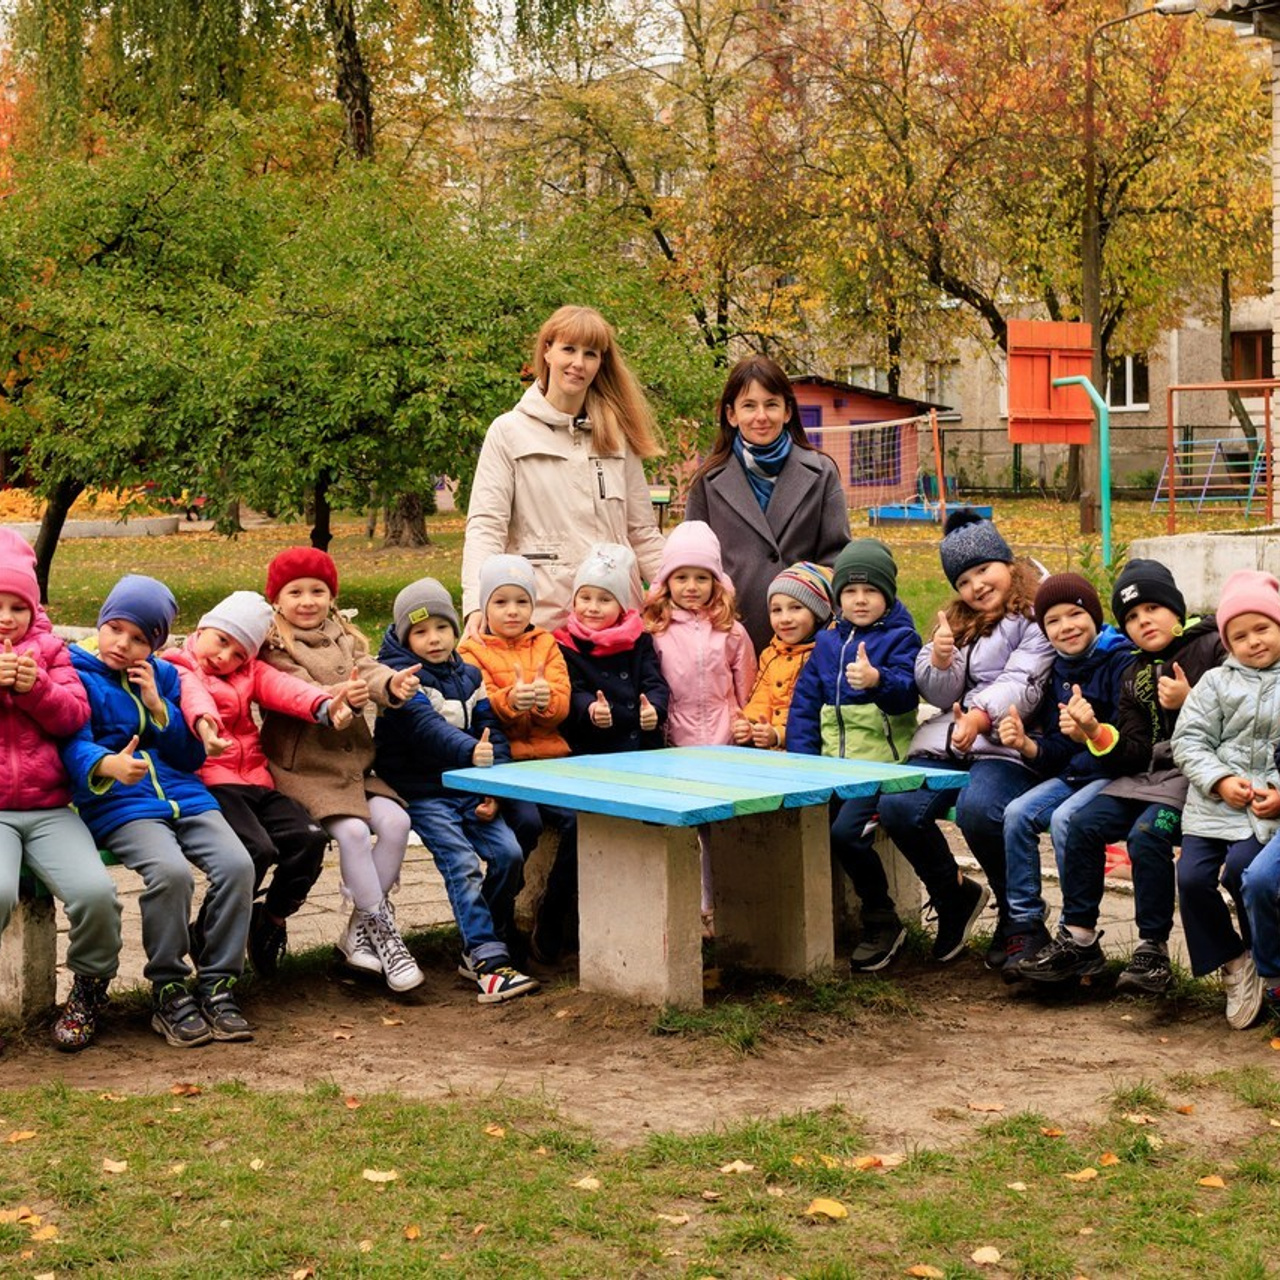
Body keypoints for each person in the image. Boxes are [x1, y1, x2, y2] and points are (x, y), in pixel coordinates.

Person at [62, 575, 256, 1048]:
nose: (123, 645)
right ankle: (168, 988)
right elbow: (69, 742)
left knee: (238, 865)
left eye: (139, 639)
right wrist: (108, 764)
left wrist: (159, 708)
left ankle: (218, 982)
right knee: (171, 874)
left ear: (156, 644)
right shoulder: (75, 671)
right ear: (101, 624)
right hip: (121, 804)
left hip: (185, 796)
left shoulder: (164, 675)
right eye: (116, 630)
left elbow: (191, 758)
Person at [1021, 559, 1223, 992]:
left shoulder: (1209, 647)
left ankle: (1153, 949)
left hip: (1196, 777)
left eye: (1152, 608)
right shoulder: (1133, 671)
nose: (1143, 620)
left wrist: (1193, 699)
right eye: (1131, 616)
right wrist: (1095, 731)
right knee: (1082, 824)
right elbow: (1130, 749)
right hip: (1144, 776)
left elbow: (1240, 707)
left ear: (1176, 608)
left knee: (1147, 836)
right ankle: (1079, 939)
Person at [874, 510, 1053, 963]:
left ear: (1008, 564)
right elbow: (938, 693)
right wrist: (939, 659)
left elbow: (1024, 681)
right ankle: (953, 895)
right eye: (963, 580)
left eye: (983, 570)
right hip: (951, 739)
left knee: (978, 809)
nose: (975, 585)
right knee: (896, 804)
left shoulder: (1037, 615)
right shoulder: (960, 621)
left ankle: (1017, 912)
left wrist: (979, 715)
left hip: (1010, 743)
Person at [259, 548, 425, 994]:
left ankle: (360, 931)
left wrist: (390, 684)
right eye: (295, 592)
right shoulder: (274, 645)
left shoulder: (345, 637)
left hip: (354, 765)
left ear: (332, 597)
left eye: (318, 591)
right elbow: (292, 687)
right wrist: (337, 694)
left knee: (396, 822)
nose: (307, 601)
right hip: (306, 769)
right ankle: (384, 931)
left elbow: (367, 670)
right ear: (277, 600)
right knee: (351, 832)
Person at [163, 590, 348, 979]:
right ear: (203, 628)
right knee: (256, 850)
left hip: (258, 782)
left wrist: (324, 705)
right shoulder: (179, 664)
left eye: (238, 653)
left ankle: (271, 919)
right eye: (222, 641)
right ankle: (209, 931)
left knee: (309, 838)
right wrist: (207, 728)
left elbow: (284, 688)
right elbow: (195, 698)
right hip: (213, 781)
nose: (225, 657)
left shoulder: (247, 672)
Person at [376, 578, 539, 1003]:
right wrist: (473, 753)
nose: (433, 639)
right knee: (462, 863)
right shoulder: (401, 678)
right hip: (425, 792)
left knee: (509, 855)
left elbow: (493, 732)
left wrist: (492, 786)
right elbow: (425, 729)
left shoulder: (469, 674)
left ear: (455, 629)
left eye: (441, 628)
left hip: (471, 786)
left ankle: (481, 943)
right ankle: (489, 961)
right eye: (421, 631)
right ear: (404, 636)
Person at [461, 304, 666, 634]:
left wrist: (676, 592)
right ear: (547, 351)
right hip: (542, 619)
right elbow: (486, 527)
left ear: (601, 363)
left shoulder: (616, 437)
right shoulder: (508, 432)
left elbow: (641, 532)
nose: (578, 363)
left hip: (615, 626)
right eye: (568, 349)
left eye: (591, 354)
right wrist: (476, 603)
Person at [0, 529, 121, 1051]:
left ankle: (90, 990)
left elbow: (75, 717)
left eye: (16, 606)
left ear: (33, 608)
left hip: (51, 808)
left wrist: (35, 689)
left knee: (96, 894)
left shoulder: (51, 653)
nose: (6, 618)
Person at [786, 539, 921, 972]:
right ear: (837, 598)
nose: (859, 600)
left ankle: (881, 918)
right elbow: (805, 706)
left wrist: (877, 680)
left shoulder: (902, 638)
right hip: (832, 769)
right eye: (849, 591)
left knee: (845, 834)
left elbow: (905, 697)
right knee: (806, 825)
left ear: (888, 594)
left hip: (881, 769)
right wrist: (803, 763)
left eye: (870, 591)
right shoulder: (827, 644)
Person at [995, 574, 1132, 980]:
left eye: (1075, 614)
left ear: (1094, 616)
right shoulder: (1059, 669)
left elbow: (1129, 742)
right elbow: (1058, 750)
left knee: (1063, 819)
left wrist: (1091, 731)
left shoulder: (1121, 660)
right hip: (1076, 774)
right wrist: (1026, 746)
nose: (1066, 626)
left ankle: (1077, 937)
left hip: (1114, 774)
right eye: (1053, 621)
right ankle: (1025, 926)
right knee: (1017, 813)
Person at [1171, 570, 1280, 1029]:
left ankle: (1265, 957)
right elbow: (1189, 741)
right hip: (1213, 805)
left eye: (1263, 629)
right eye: (1240, 635)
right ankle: (1236, 962)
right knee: (1192, 877)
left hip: (1263, 808)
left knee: (1242, 870)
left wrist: (1277, 794)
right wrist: (1218, 780)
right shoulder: (1215, 683)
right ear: (1227, 643)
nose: (1253, 641)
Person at [458, 554, 578, 964]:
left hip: (551, 760)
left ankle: (554, 908)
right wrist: (508, 702)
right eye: (501, 602)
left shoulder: (545, 643)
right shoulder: (471, 650)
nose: (512, 611)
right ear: (485, 606)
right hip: (507, 766)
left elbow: (562, 699)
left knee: (581, 821)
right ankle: (501, 919)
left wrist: (545, 703)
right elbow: (474, 705)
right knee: (524, 823)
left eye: (521, 602)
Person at [684, 355, 849, 650]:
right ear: (731, 414)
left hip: (803, 639)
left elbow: (836, 559)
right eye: (749, 405)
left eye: (771, 404)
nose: (761, 416)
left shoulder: (821, 472)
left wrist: (814, 614)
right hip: (728, 636)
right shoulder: (707, 481)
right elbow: (690, 562)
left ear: (787, 411)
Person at [643, 520, 756, 934]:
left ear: (716, 582)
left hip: (725, 741)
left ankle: (721, 909)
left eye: (702, 577)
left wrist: (745, 724)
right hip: (679, 742)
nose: (691, 586)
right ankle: (689, 906)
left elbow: (747, 687)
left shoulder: (731, 632)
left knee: (720, 830)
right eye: (682, 577)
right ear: (666, 581)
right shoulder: (655, 633)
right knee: (686, 829)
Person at [554, 542, 670, 756]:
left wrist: (654, 707)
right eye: (585, 598)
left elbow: (654, 682)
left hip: (641, 748)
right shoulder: (566, 646)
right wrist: (590, 708)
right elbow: (573, 690)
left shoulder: (638, 642)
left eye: (605, 600)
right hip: (592, 749)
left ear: (621, 606)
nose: (593, 608)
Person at [733, 561, 833, 751]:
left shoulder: (826, 654)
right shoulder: (771, 654)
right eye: (776, 610)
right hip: (774, 756)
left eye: (796, 608)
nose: (785, 618)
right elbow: (761, 698)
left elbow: (821, 716)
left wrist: (779, 735)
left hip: (812, 755)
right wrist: (751, 726)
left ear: (817, 612)